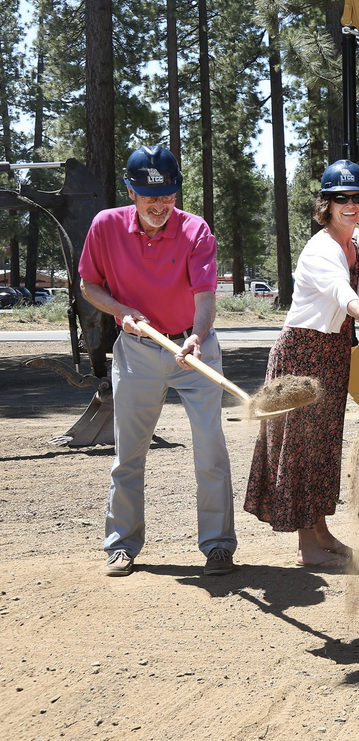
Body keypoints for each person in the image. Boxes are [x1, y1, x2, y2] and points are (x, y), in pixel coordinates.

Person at [79, 144, 236, 577]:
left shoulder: (196, 230)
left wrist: (197, 338)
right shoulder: (105, 226)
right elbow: (89, 285)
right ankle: (122, 544)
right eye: (151, 197)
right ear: (131, 191)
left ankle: (219, 547)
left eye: (168, 196)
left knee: (211, 451)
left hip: (194, 349)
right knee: (128, 453)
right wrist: (119, 311)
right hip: (138, 351)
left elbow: (205, 297)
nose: (160, 206)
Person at [244, 160, 359, 568]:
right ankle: (306, 545)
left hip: (334, 350)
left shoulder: (357, 240)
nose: (351, 205)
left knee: (324, 446)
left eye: (357, 197)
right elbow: (342, 292)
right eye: (341, 198)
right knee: (300, 447)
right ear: (326, 203)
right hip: (302, 354)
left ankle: (321, 531)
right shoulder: (321, 248)